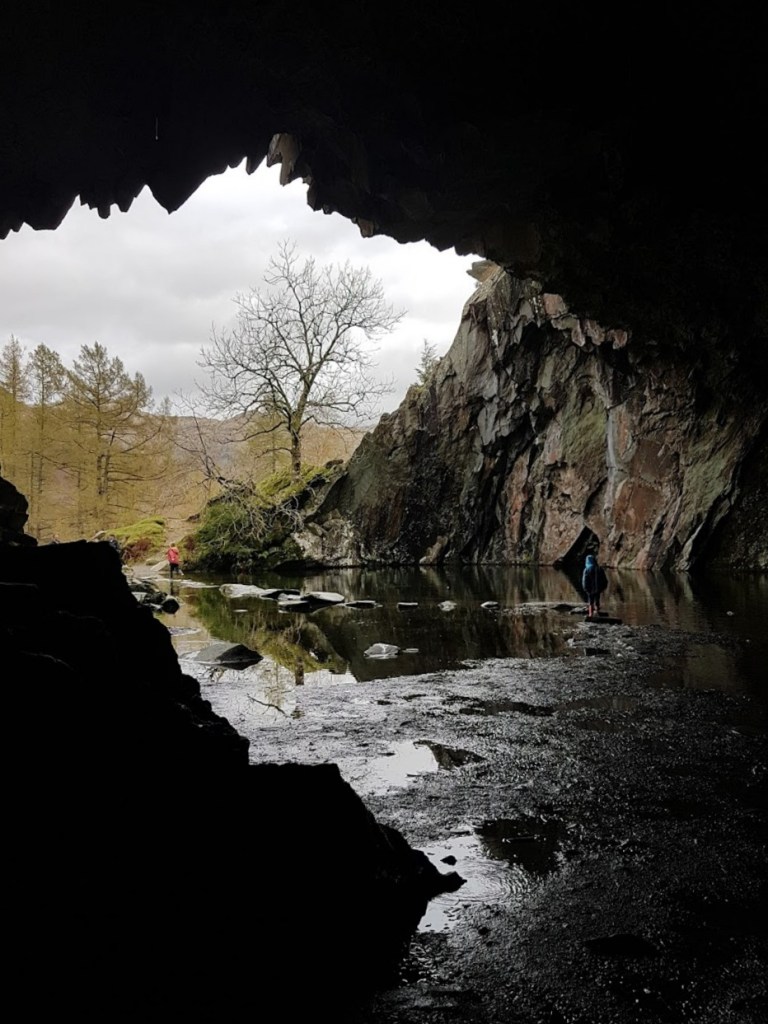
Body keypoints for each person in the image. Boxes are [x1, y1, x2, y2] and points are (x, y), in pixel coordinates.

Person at [582, 553, 608, 618]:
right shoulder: (599, 568)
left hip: (590, 589)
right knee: (597, 600)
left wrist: (585, 588)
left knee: (590, 602)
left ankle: (590, 614)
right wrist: (603, 587)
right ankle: (597, 612)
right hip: (598, 589)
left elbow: (584, 580)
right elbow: (604, 579)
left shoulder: (587, 570)